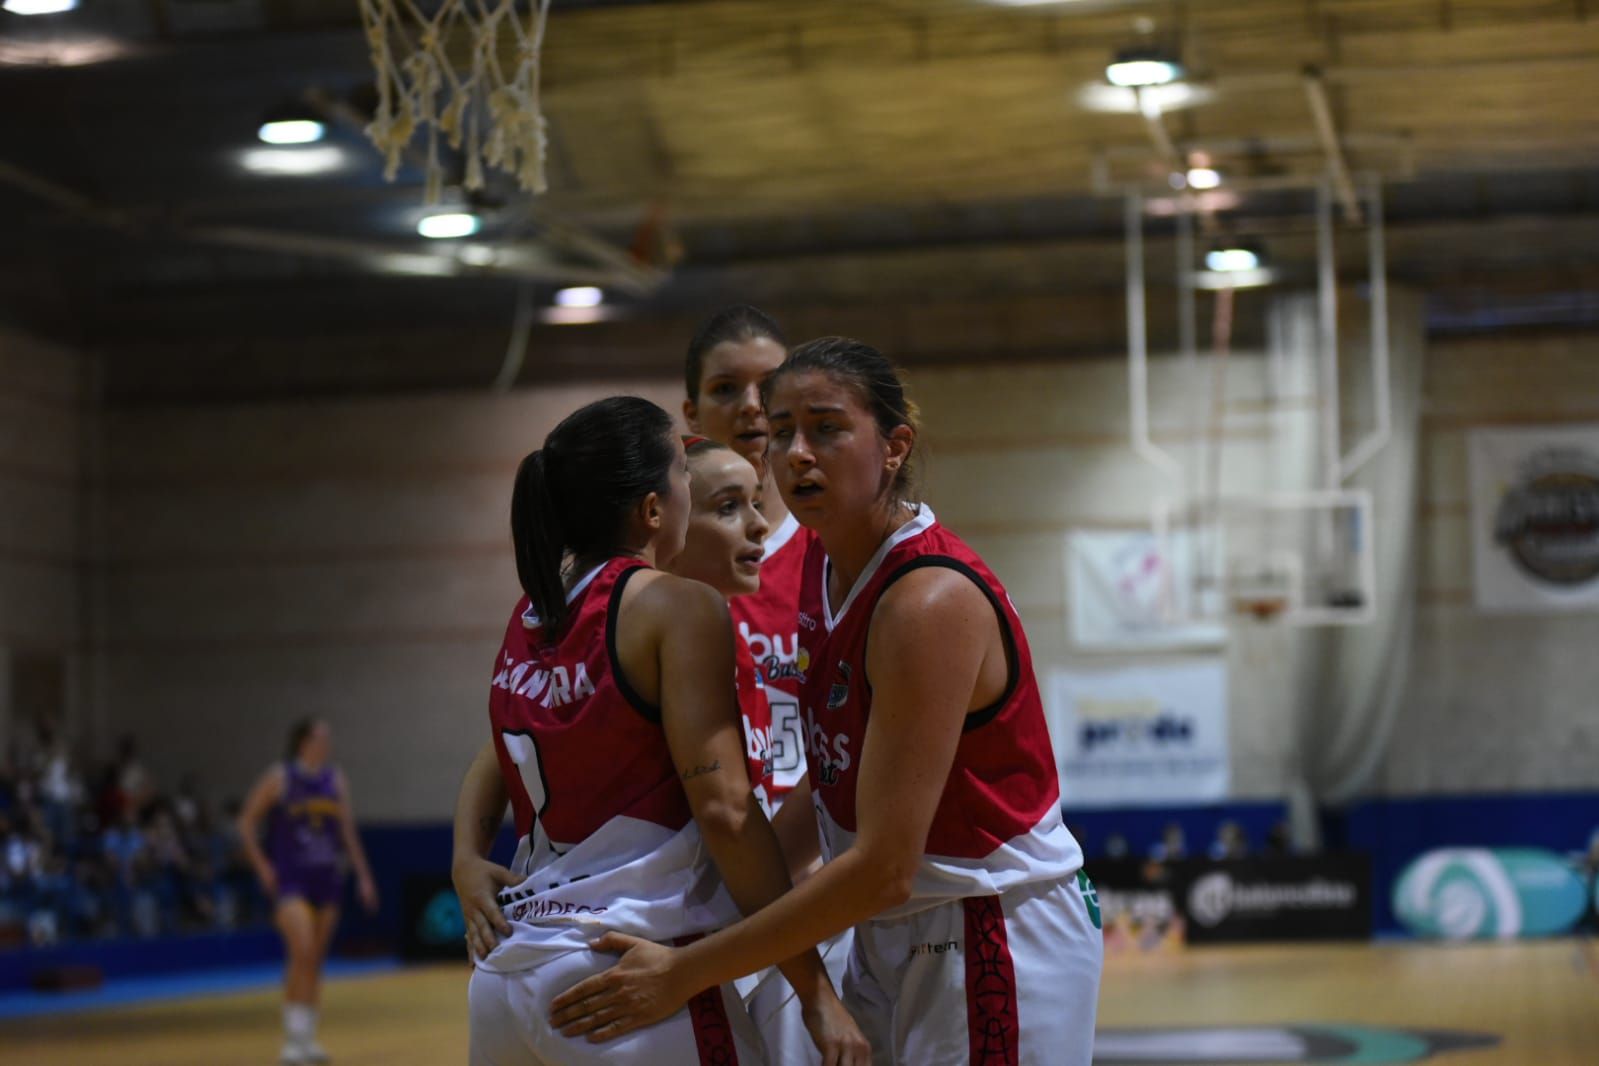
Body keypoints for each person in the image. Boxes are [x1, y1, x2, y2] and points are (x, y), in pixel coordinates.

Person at [550, 339, 1103, 1064]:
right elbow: (836, 785)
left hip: (987, 925)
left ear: (894, 445)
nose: (796, 453)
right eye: (780, 433)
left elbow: (883, 866)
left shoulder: (926, 599)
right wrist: (706, 903)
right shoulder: (822, 561)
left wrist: (690, 967)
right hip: (892, 928)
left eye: (826, 428)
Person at [460, 396, 866, 1066]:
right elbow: (727, 811)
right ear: (653, 509)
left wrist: (463, 858)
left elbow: (492, 758)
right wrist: (815, 993)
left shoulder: (534, 615)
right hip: (622, 973)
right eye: (685, 473)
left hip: (506, 981)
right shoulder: (676, 607)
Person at [238, 719, 379, 1065]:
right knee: (300, 950)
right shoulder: (282, 776)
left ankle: (308, 1038)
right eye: (319, 736)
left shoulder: (335, 779)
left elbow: (346, 831)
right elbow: (245, 823)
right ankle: (292, 1040)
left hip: (327, 877)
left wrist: (363, 875)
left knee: (314, 957)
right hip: (291, 878)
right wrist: (262, 865)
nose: (326, 742)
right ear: (302, 741)